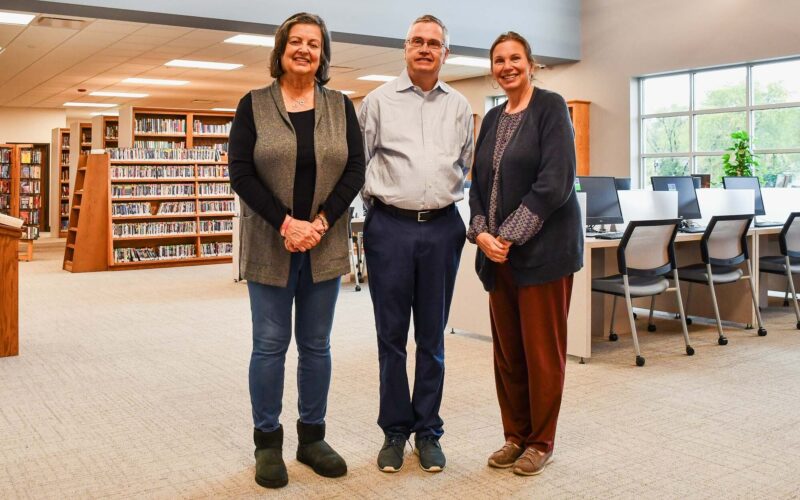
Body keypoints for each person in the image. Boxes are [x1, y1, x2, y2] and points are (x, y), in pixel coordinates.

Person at [228, 12, 365, 489]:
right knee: (269, 346)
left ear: (324, 53)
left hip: (322, 245)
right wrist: (286, 223)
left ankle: (312, 439)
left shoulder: (341, 106)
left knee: (317, 346)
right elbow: (240, 173)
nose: (305, 49)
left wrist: (320, 222)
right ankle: (267, 443)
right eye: (296, 41)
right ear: (281, 49)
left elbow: (355, 172)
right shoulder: (254, 104)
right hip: (271, 241)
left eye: (314, 43)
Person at [358, 14, 474, 473]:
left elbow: (465, 164)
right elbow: (359, 164)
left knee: (432, 338)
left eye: (434, 43)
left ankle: (427, 432)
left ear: (446, 53)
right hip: (390, 227)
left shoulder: (460, 106)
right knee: (390, 337)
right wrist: (379, 218)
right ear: (405, 49)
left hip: (444, 228)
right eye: (417, 41)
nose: (425, 49)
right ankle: (393, 430)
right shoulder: (378, 101)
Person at [466, 31, 583, 477]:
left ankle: (540, 441)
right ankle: (514, 435)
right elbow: (477, 183)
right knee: (509, 353)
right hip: (497, 257)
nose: (507, 66)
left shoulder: (550, 108)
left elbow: (555, 182)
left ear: (531, 64)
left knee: (541, 353)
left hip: (542, 254)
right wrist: (481, 234)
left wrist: (508, 236)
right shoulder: (493, 117)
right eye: (499, 59)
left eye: (515, 58)